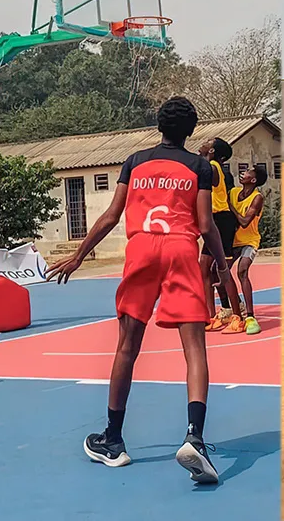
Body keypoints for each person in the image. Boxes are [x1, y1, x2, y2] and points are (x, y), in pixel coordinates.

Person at [47, 96, 226, 484]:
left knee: (127, 346)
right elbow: (206, 223)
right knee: (194, 348)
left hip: (141, 248)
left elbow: (112, 215)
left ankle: (113, 440)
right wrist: (222, 264)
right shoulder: (199, 166)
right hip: (181, 248)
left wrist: (80, 254)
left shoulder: (135, 161)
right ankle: (194, 437)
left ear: (159, 126)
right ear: (191, 130)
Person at [201, 138, 245, 333]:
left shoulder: (212, 166)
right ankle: (211, 316)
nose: (201, 142)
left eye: (206, 142)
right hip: (211, 221)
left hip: (222, 220)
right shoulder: (209, 164)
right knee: (204, 269)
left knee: (222, 270)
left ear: (211, 150)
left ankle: (238, 317)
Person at [229, 164, 268, 335]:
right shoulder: (233, 193)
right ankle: (236, 306)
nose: (242, 173)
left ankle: (250, 316)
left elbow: (245, 222)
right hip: (233, 240)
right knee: (218, 272)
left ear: (253, 180)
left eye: (246, 172)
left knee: (242, 271)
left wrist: (231, 208)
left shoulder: (257, 197)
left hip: (249, 240)